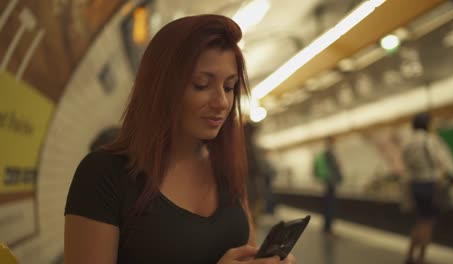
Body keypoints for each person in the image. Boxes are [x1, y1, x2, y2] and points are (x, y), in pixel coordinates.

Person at [64, 15, 296, 264]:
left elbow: (246, 251)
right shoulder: (103, 174)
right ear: (161, 87)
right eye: (201, 85)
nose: (221, 102)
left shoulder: (227, 166)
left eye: (229, 87)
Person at [401, 112, 453, 264]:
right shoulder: (430, 140)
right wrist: (451, 175)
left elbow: (405, 163)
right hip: (429, 184)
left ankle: (409, 255)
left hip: (415, 184)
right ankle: (421, 258)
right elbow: (441, 160)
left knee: (420, 221)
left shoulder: (407, 142)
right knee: (427, 223)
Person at [313, 136, 343, 237]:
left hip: (325, 182)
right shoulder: (330, 155)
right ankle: (328, 229)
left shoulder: (321, 155)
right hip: (330, 182)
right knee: (330, 206)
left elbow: (315, 170)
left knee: (327, 206)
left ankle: (326, 228)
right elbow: (336, 168)